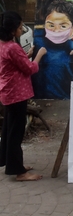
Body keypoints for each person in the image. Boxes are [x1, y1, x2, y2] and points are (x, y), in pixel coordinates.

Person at [0, 11, 47, 181]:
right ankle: (19, 172)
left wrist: (26, 56)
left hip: (8, 93)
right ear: (13, 30)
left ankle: (11, 162)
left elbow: (16, 64)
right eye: (20, 28)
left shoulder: (4, 44)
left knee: (8, 130)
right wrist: (39, 55)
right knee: (15, 133)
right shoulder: (12, 47)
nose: (22, 30)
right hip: (16, 95)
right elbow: (30, 69)